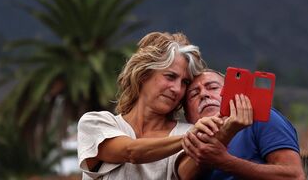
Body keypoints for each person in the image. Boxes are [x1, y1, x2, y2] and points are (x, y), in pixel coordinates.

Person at [77, 31, 219, 179]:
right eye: (170, 76)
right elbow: (130, 152)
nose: (177, 89)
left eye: (185, 82)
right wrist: (190, 138)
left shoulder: (188, 132)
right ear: (143, 75)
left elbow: (187, 174)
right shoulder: (97, 124)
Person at [180, 69, 305, 180]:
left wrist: (226, 162)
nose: (203, 94)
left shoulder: (261, 118)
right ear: (188, 116)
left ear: (231, 91)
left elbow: (295, 176)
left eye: (213, 87)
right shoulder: (185, 140)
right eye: (194, 94)